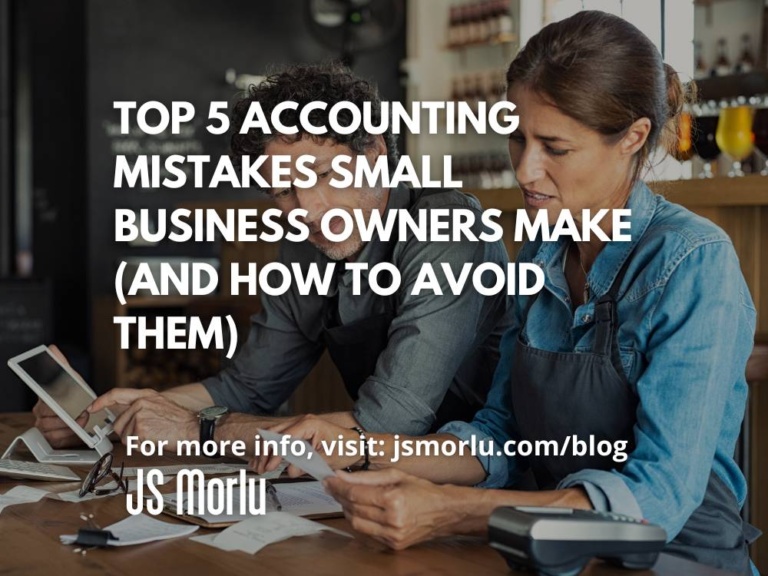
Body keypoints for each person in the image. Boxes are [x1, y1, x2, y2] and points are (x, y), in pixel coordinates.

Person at [256, 12, 760, 575]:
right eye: (516, 138)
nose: (525, 168)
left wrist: (456, 511)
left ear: (633, 138)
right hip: (552, 555)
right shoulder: (543, 253)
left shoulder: (693, 262)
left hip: (677, 562)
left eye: (554, 147)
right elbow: (500, 436)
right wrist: (361, 448)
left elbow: (657, 497)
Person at [34, 62, 513, 450]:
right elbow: (245, 388)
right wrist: (111, 413)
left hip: (483, 484)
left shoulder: (447, 228)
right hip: (376, 481)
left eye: (325, 175)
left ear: (375, 154)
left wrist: (201, 430)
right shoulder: (307, 247)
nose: (308, 209)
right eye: (283, 190)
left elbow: (392, 422)